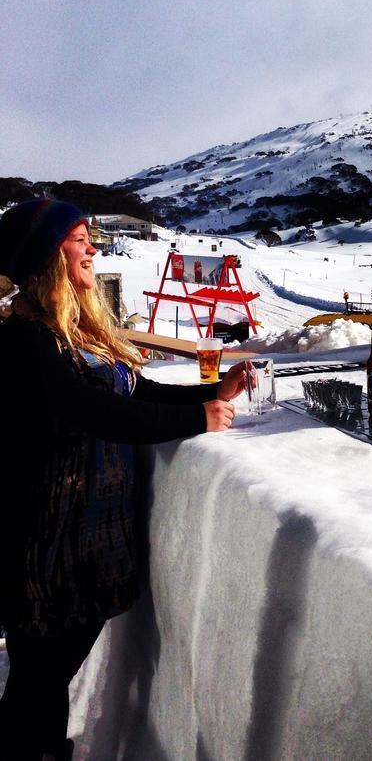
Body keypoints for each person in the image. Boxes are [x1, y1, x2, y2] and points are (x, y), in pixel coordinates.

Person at [0, 199, 248, 761]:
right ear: (45, 256)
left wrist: (211, 394)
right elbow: (93, 412)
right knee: (39, 678)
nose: (92, 249)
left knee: (44, 677)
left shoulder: (72, 332)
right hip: (45, 546)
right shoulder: (25, 340)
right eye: (79, 239)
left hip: (78, 544)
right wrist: (197, 419)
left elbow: (136, 393)